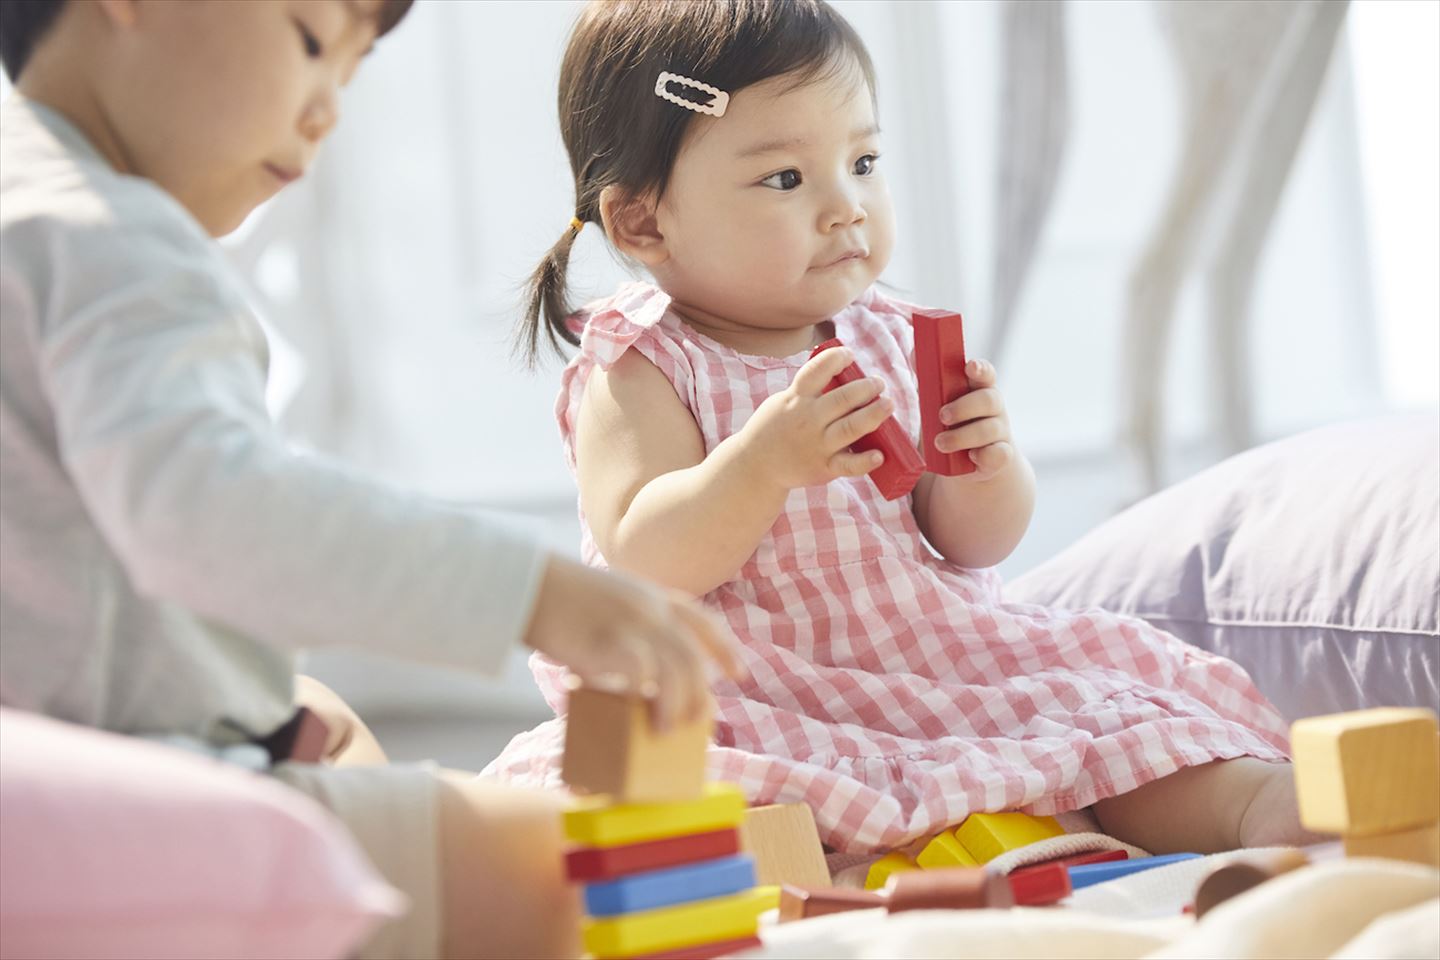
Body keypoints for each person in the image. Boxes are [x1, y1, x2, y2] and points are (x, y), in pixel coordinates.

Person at [489, 0, 1317, 859]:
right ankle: (861, 878)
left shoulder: (889, 334)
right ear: (644, 221)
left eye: (863, 161)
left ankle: (1253, 806)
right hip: (750, 693)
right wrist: (761, 465)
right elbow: (644, 558)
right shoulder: (644, 366)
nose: (847, 207)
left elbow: (970, 544)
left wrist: (984, 465)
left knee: (1095, 727)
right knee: (708, 803)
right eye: (785, 178)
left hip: (938, 664)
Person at [0, 1, 741, 957]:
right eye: (310, 42)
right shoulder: (114, 241)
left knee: (333, 720)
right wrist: (539, 592)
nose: (326, 113)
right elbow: (212, 511)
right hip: (108, 806)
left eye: (346, 77)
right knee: (580, 877)